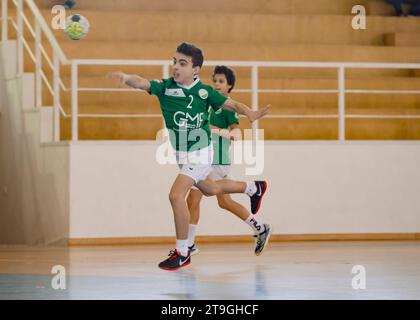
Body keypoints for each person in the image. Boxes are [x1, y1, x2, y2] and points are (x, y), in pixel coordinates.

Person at [109, 42, 270, 271]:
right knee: (211, 190)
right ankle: (253, 188)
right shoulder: (165, 87)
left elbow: (232, 104)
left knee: (176, 196)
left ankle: (183, 251)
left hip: (201, 153)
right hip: (183, 155)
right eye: (174, 61)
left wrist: (250, 113)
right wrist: (126, 77)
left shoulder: (204, 92)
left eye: (182, 63)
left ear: (195, 69)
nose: (176, 67)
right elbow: (143, 82)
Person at [187, 65, 270, 257]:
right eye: (214, 80)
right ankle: (260, 229)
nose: (217, 84)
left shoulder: (227, 107)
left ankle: (252, 187)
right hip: (206, 156)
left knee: (193, 197)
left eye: (221, 81)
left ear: (229, 86)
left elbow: (236, 133)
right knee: (223, 202)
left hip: (217, 158)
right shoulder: (209, 104)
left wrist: (217, 131)